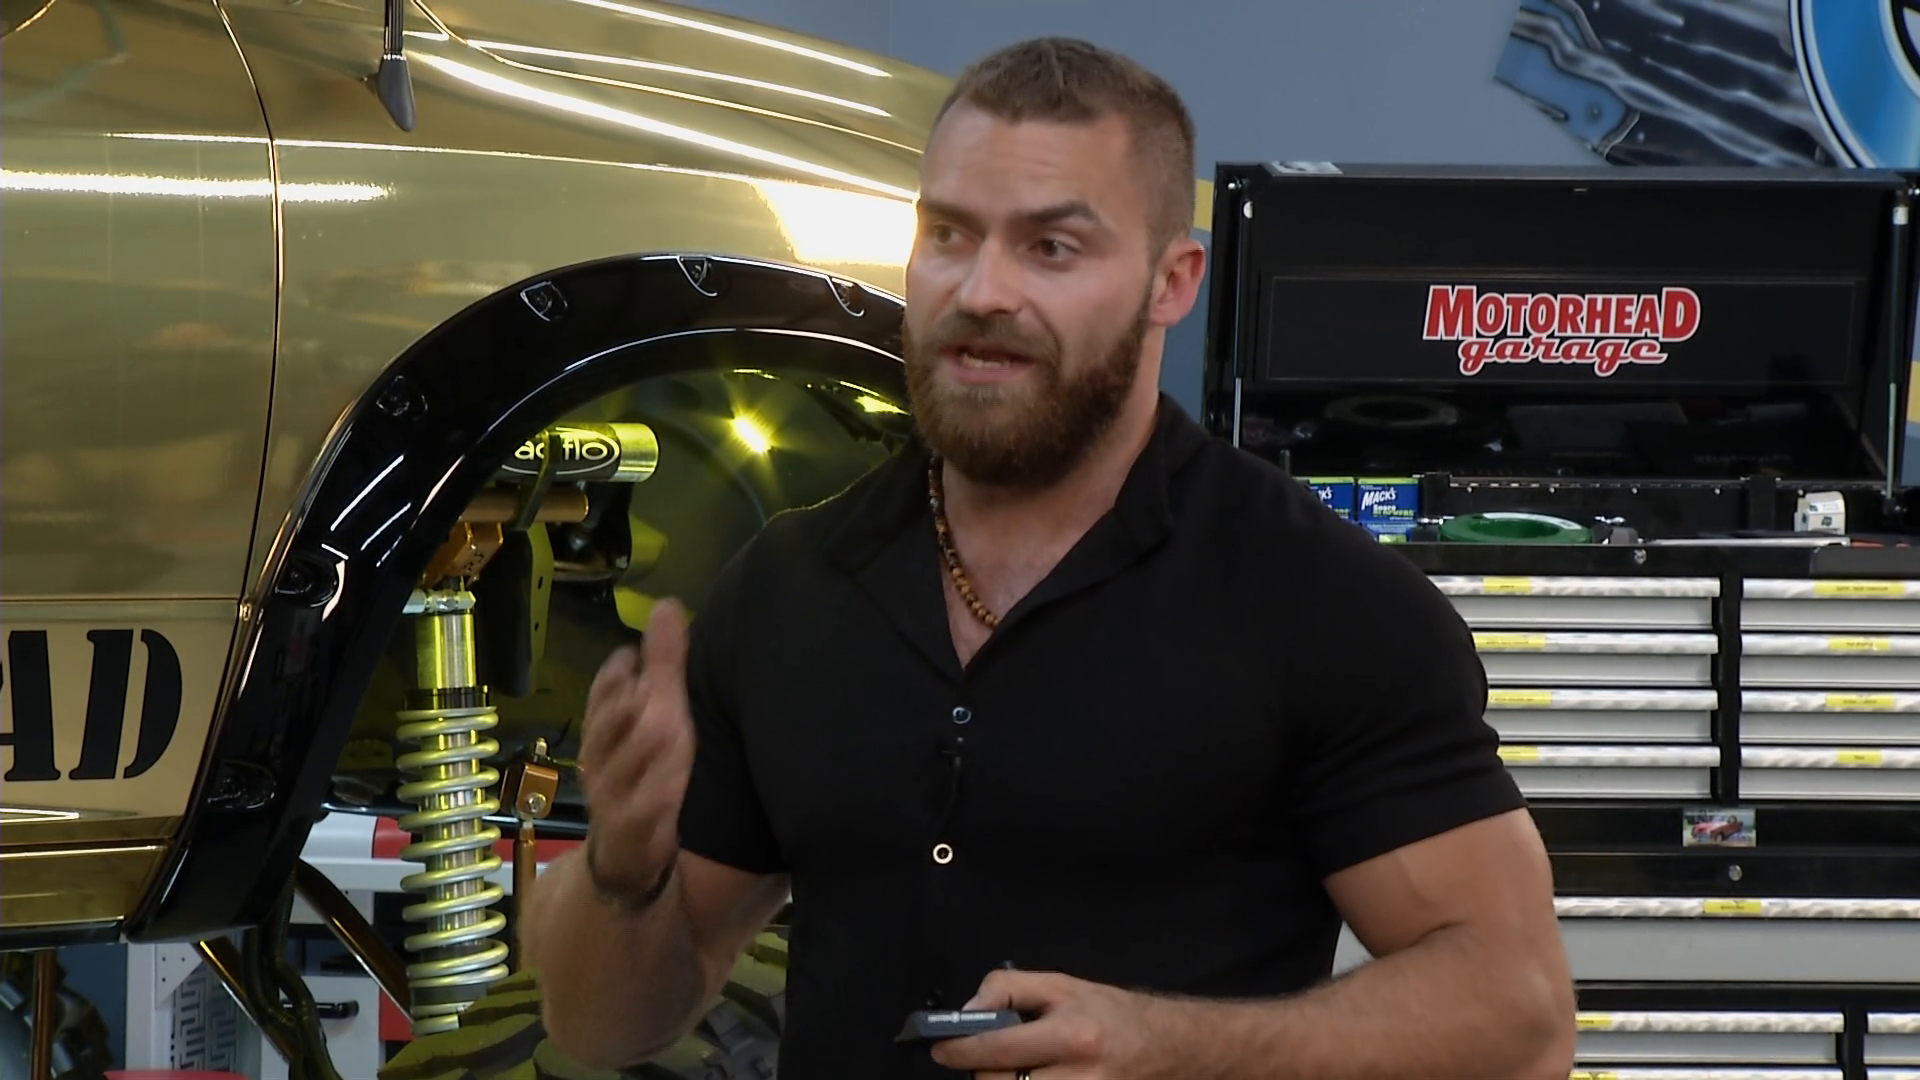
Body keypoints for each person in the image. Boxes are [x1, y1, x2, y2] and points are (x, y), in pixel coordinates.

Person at [525, 36, 1576, 1080]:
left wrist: (1176, 1050)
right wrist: (623, 870)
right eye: (949, 234)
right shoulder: (789, 586)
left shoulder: (1322, 603)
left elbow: (1518, 1018)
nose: (983, 289)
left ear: (1172, 281)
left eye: (1052, 247)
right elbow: (603, 1027)